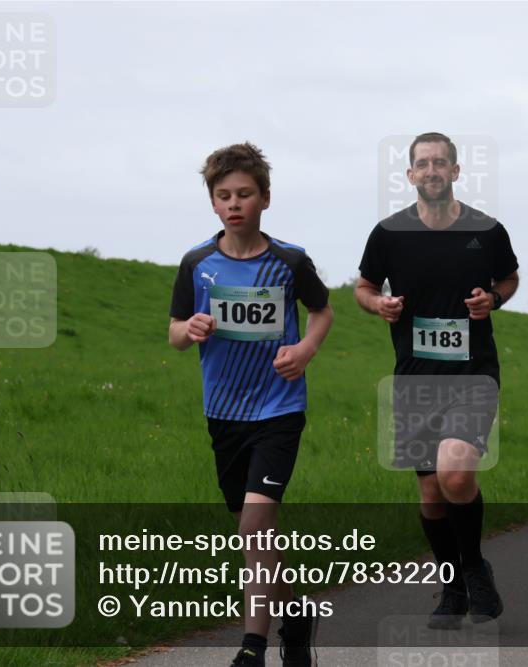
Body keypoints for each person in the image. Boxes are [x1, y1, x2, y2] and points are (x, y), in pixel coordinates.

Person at [169, 143, 333, 667]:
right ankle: (297, 613)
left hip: (279, 409)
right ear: (213, 203)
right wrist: (188, 329)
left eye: (244, 194)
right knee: (255, 532)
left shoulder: (289, 260)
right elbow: (173, 333)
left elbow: (322, 311)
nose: (234, 203)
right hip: (223, 413)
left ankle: (251, 646)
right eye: (223, 196)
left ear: (264, 198)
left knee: (253, 527)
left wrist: (305, 349)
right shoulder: (198, 263)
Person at [356, 132, 519, 629]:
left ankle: (473, 567)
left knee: (455, 473)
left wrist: (494, 298)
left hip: (473, 374)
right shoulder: (388, 233)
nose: (431, 171)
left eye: (440, 163)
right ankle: (451, 582)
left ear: (455, 171)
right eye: (422, 164)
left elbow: (508, 278)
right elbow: (363, 287)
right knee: (430, 494)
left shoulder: (487, 231)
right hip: (415, 378)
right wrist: (378, 303)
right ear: (409, 175)